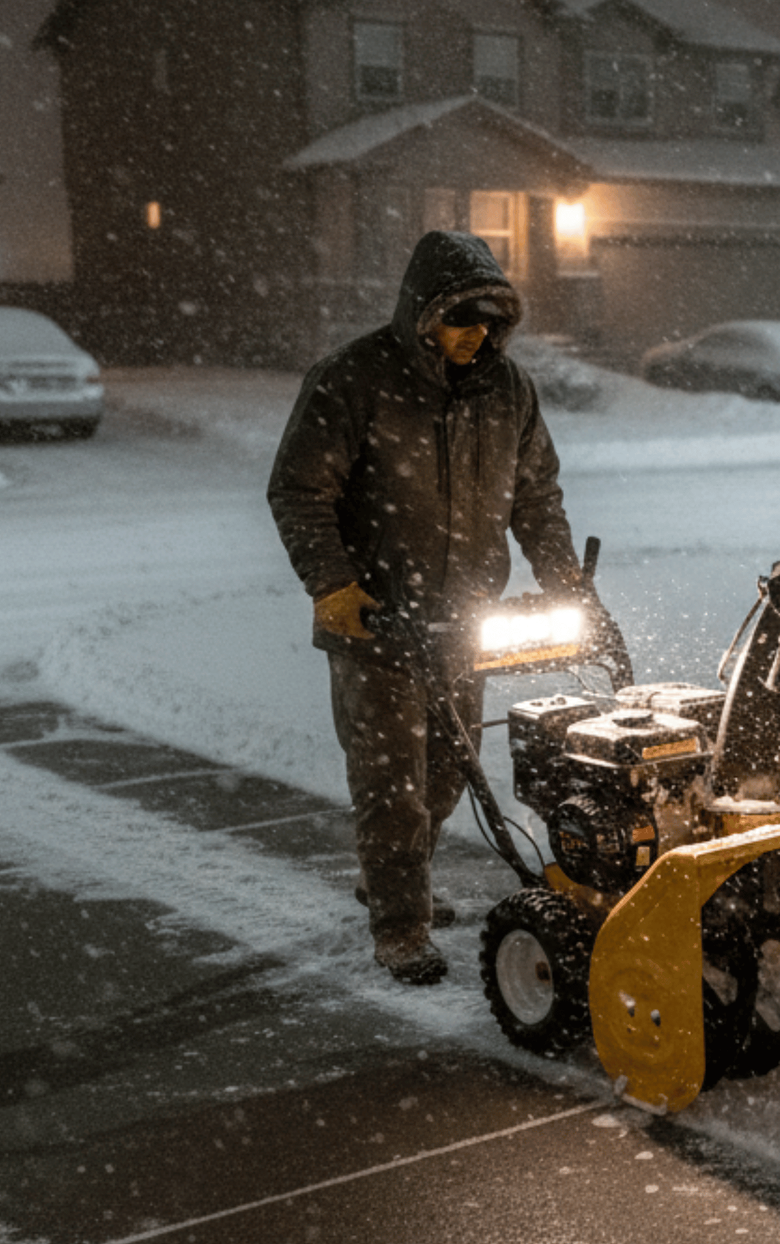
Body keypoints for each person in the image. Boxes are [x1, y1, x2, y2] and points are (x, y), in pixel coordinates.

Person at [268, 230, 607, 985]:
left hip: (464, 621)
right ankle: (400, 924)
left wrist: (568, 588)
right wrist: (335, 586)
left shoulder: (508, 390)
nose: (477, 336)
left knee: (449, 770)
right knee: (391, 786)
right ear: (425, 314)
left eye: (491, 322)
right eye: (463, 319)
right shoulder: (353, 380)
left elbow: (538, 499)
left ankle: (395, 876)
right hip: (376, 624)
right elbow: (299, 490)